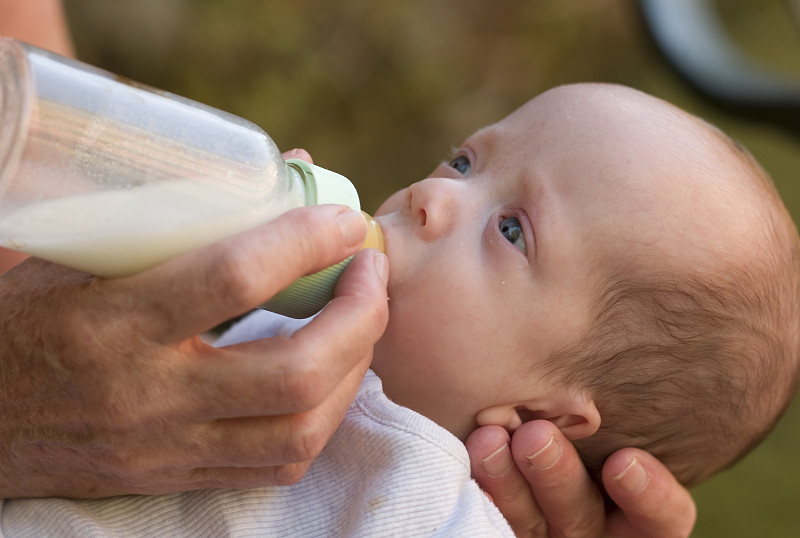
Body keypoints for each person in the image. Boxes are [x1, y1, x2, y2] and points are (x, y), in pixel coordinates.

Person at [0, 1, 699, 536]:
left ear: (539, 415)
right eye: (464, 162)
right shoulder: (264, 326)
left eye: (510, 229)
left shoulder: (436, 509)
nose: (433, 196)